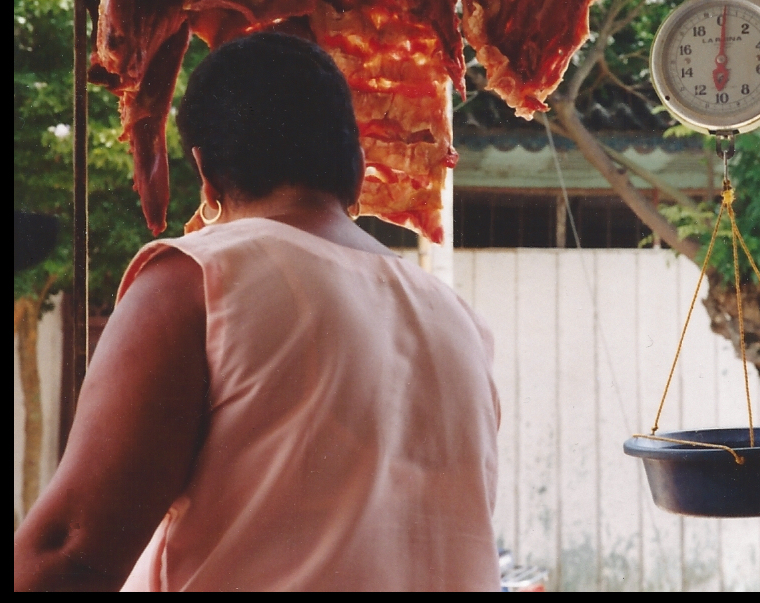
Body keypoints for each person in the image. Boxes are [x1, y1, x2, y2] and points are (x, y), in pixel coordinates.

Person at [13, 33, 502, 591]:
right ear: (358, 163)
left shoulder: (199, 278)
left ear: (206, 172)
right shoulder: (460, 320)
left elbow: (69, 550)